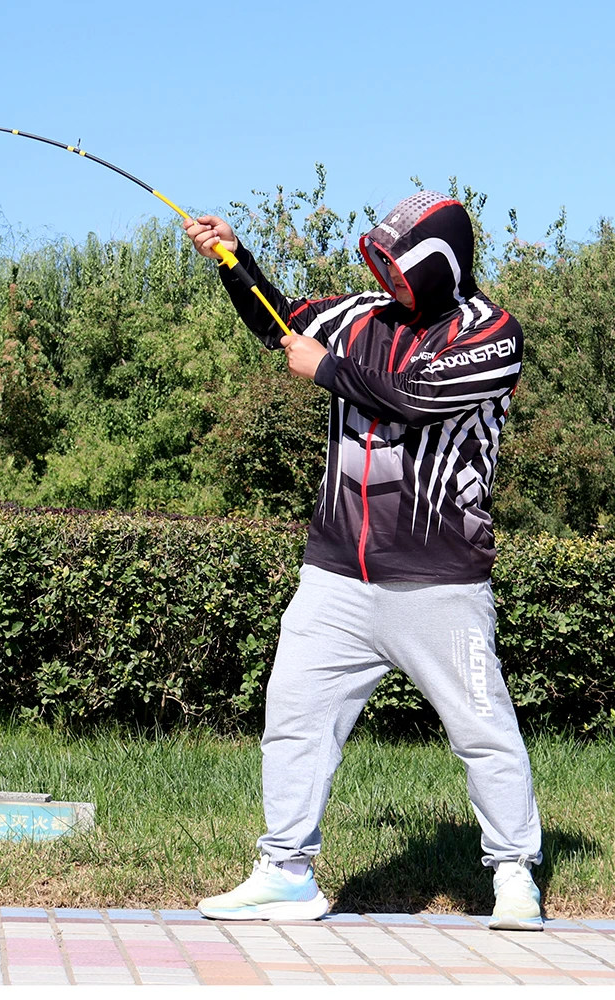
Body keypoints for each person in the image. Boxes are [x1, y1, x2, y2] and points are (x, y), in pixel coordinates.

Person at [183, 191, 543, 931]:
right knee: (294, 716)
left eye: (398, 265)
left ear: (442, 265)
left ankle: (514, 874)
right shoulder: (359, 316)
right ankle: (286, 872)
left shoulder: (493, 335)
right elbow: (278, 323)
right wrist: (233, 258)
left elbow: (414, 397)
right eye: (379, 262)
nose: (386, 281)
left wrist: (323, 372)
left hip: (440, 582)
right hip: (335, 577)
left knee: (482, 727)